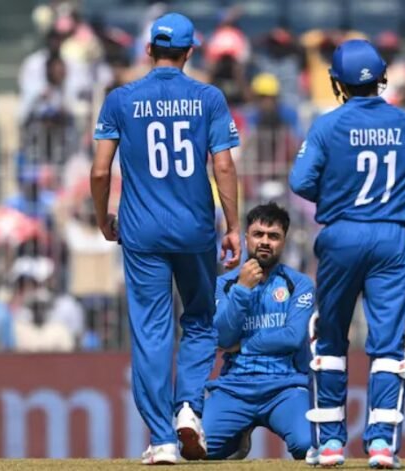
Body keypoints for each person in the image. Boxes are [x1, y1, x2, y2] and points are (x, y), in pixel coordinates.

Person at [288, 39, 405, 468]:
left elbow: (300, 182)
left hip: (341, 234)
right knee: (389, 341)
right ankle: (381, 444)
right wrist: (393, 197)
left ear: (337, 83)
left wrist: (338, 196)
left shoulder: (326, 126)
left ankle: (329, 445)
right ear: (381, 77)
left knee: (330, 336)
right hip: (391, 237)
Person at [90, 12, 241, 464]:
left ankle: (162, 440)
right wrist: (234, 226)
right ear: (191, 52)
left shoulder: (121, 99)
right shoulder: (208, 98)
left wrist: (102, 216)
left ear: (148, 49)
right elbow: (224, 165)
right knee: (200, 319)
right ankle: (189, 407)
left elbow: (99, 171)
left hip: (142, 232)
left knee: (151, 332)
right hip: (195, 229)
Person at [204, 203, 314, 460]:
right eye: (258, 234)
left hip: (285, 386)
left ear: (284, 241)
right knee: (199, 449)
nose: (265, 241)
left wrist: (244, 345)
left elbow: (293, 337)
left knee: (307, 445)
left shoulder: (300, 284)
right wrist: (242, 289)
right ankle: (237, 439)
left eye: (273, 236)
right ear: (246, 238)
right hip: (235, 386)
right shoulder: (224, 285)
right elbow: (222, 338)